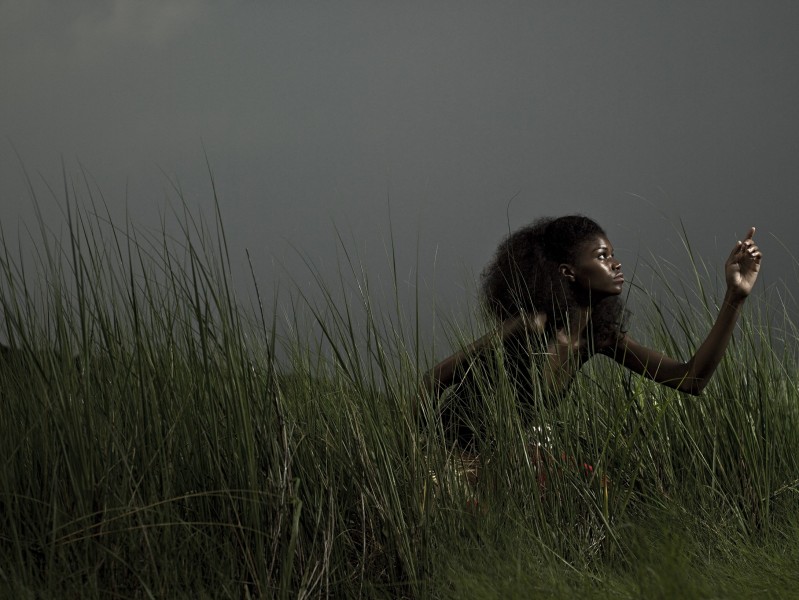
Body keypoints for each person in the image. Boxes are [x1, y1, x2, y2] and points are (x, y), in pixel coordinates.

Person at [420, 215, 762, 469]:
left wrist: (735, 296)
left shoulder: (598, 340)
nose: (615, 263)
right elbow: (431, 381)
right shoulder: (528, 327)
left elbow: (691, 379)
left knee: (589, 484)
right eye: (601, 256)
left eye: (612, 254)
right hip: (453, 463)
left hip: (503, 464)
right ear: (568, 272)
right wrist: (421, 453)